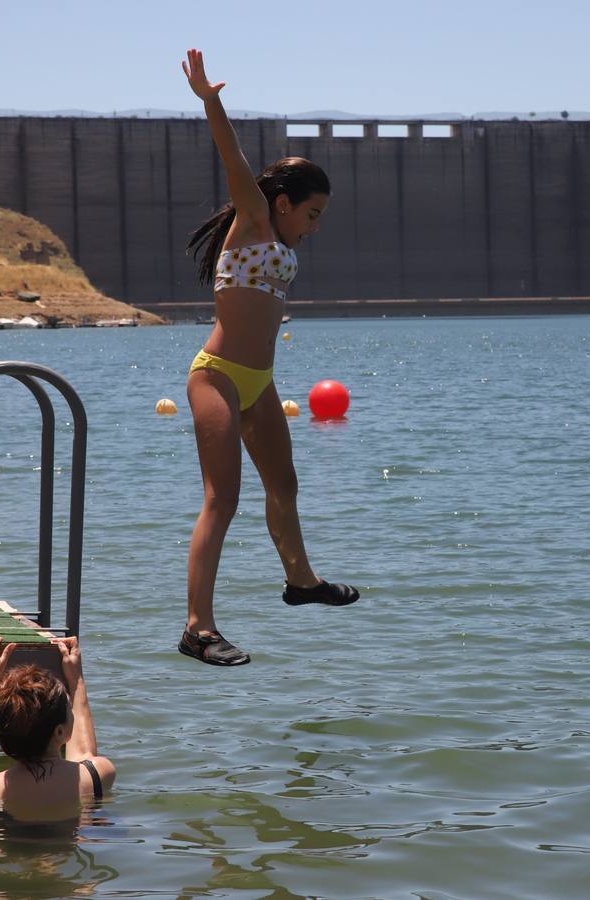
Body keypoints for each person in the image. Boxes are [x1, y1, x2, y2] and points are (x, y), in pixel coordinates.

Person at [178, 48, 359, 667]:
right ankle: (198, 628)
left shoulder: (277, 236)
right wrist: (210, 100)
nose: (316, 225)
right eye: (312, 213)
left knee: (284, 485)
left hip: (258, 383)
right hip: (218, 379)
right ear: (282, 203)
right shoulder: (256, 219)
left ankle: (301, 582)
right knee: (220, 499)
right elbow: (235, 161)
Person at [0, 635, 115, 821]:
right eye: (68, 707)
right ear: (59, 732)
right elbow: (84, 754)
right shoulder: (99, 775)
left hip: (7, 847)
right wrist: (76, 680)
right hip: (72, 844)